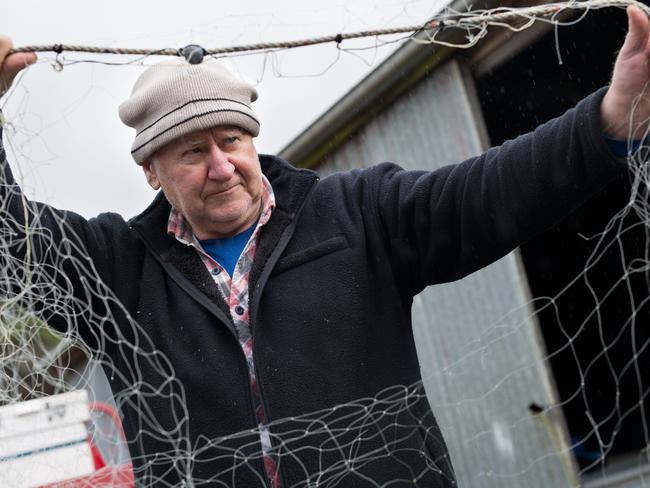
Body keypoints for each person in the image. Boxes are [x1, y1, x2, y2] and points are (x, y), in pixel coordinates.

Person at [1, 6, 649, 487]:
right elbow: (11, 241)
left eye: (232, 140)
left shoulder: (358, 212)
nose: (222, 166)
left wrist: (611, 118)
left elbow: (488, 192)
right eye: (193, 152)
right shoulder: (115, 266)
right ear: (151, 171)